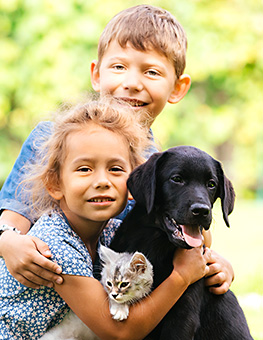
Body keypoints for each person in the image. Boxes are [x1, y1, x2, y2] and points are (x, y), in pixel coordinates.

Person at [0, 5, 234, 293]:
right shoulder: (51, 139)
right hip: (42, 295)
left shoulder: (160, 164)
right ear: (97, 74)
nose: (132, 83)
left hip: (110, 304)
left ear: (178, 88)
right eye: (119, 67)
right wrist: (7, 242)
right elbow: (10, 220)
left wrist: (218, 263)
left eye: (151, 72)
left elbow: (192, 238)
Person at [0, 98, 210, 339]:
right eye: (84, 169)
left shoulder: (111, 231)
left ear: (133, 185)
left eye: (115, 169)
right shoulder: (54, 244)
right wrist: (181, 277)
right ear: (55, 184)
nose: (102, 181)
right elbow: (120, 332)